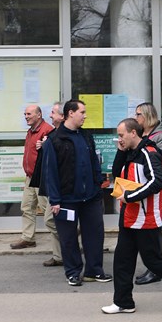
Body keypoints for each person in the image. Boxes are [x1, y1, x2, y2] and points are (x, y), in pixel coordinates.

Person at [101, 118, 162, 314]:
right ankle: (123, 302)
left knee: (153, 261)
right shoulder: (129, 152)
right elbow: (116, 173)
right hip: (129, 215)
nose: (118, 139)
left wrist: (131, 196)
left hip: (146, 218)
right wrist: (120, 151)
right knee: (122, 260)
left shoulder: (149, 153)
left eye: (121, 135)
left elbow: (157, 182)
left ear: (133, 133)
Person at [41, 99, 112, 286]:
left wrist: (98, 187)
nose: (85, 115)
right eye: (82, 112)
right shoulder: (54, 140)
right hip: (66, 200)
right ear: (71, 113)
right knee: (69, 239)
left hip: (91, 198)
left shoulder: (86, 137)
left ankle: (94, 271)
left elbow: (95, 164)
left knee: (95, 236)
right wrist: (55, 200)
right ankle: (73, 272)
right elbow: (50, 173)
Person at [9, 106, 60, 257]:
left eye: (29, 114)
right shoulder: (30, 131)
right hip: (30, 177)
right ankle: (28, 238)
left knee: (48, 212)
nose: (26, 116)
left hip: (42, 178)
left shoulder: (47, 130)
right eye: (24, 114)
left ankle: (60, 244)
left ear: (39, 115)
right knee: (26, 207)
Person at [133, 102, 162, 285]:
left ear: (148, 116)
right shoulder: (145, 135)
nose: (136, 118)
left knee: (156, 232)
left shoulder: (160, 137)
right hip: (146, 190)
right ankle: (153, 267)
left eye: (139, 114)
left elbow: (159, 165)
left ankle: (155, 269)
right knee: (150, 232)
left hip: (158, 191)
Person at [28, 101, 64, 266]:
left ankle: (69, 245)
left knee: (52, 219)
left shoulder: (54, 133)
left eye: (53, 112)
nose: (51, 115)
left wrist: (45, 145)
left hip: (59, 186)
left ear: (63, 116)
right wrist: (43, 146)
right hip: (45, 181)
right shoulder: (51, 133)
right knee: (51, 219)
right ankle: (60, 256)